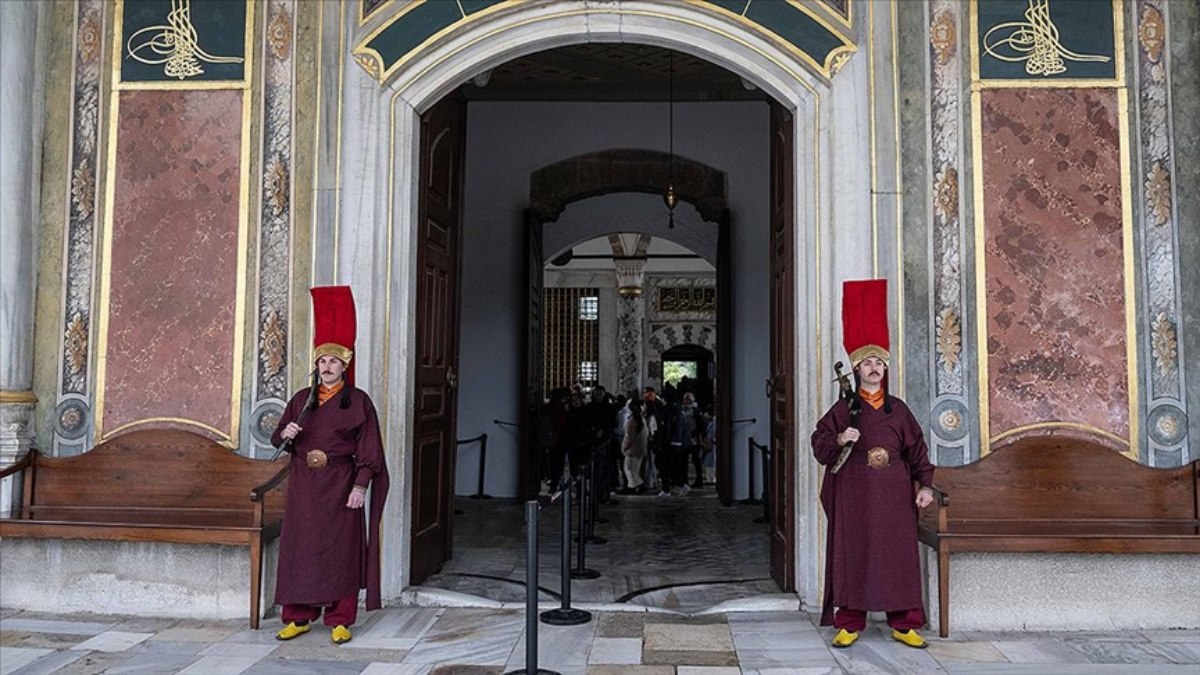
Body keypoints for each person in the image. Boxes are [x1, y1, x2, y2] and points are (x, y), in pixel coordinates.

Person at [811, 279, 935, 650]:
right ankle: (849, 622)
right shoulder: (843, 409)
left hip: (895, 499)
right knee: (855, 554)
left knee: (898, 557)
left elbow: (918, 451)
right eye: (868, 362)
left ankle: (905, 623)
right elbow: (819, 444)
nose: (875, 368)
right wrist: (839, 438)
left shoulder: (899, 411)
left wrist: (926, 486)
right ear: (856, 368)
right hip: (855, 498)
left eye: (879, 362)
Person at [271, 286, 390, 645]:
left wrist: (360, 485)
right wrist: (286, 433)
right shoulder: (300, 400)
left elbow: (370, 449)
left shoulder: (359, 402)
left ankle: (340, 619)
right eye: (322, 361)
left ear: (345, 365)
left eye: (333, 362)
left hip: (341, 484)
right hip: (305, 485)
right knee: (301, 549)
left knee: (341, 552)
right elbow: (278, 439)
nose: (326, 367)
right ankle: (298, 617)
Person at [619, 399, 648, 493]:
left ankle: (637, 485)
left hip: (632, 449)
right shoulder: (642, 419)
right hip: (640, 448)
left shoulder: (632, 421)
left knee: (629, 469)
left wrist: (624, 447)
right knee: (634, 470)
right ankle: (634, 486)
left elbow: (629, 437)